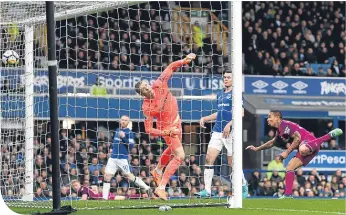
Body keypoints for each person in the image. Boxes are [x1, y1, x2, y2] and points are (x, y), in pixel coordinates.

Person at [134, 53, 196, 200]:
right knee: (180, 156)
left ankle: (158, 170)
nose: (147, 89)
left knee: (172, 151)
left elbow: (170, 67)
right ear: (142, 94)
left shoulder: (159, 83)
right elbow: (148, 129)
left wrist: (184, 60)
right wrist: (166, 131)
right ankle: (161, 187)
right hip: (169, 129)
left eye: (146, 85)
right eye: (144, 89)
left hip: (177, 121)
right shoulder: (146, 107)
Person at [246, 110, 343, 199]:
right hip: (307, 149)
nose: (268, 119)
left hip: (308, 142)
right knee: (289, 168)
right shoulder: (279, 130)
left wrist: (286, 153)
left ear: (278, 117)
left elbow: (297, 138)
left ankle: (328, 136)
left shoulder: (285, 125)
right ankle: (288, 195)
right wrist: (257, 148)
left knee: (302, 149)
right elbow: (272, 143)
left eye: (270, 116)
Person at [194, 71, 248, 198]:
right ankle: (207, 190)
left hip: (231, 132)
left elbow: (241, 113)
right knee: (208, 158)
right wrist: (206, 118)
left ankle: (243, 186)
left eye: (229, 77)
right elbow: (220, 113)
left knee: (232, 163)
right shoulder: (220, 94)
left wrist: (230, 124)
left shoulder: (236, 94)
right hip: (218, 131)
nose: (226, 79)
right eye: (225, 77)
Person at [102, 115, 150, 200]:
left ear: (128, 122)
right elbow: (115, 141)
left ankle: (147, 188)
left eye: (125, 120)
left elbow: (131, 146)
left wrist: (124, 137)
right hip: (113, 158)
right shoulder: (117, 130)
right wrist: (112, 148)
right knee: (106, 176)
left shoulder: (129, 133)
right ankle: (104, 198)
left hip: (122, 158)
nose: (123, 121)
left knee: (129, 176)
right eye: (122, 120)